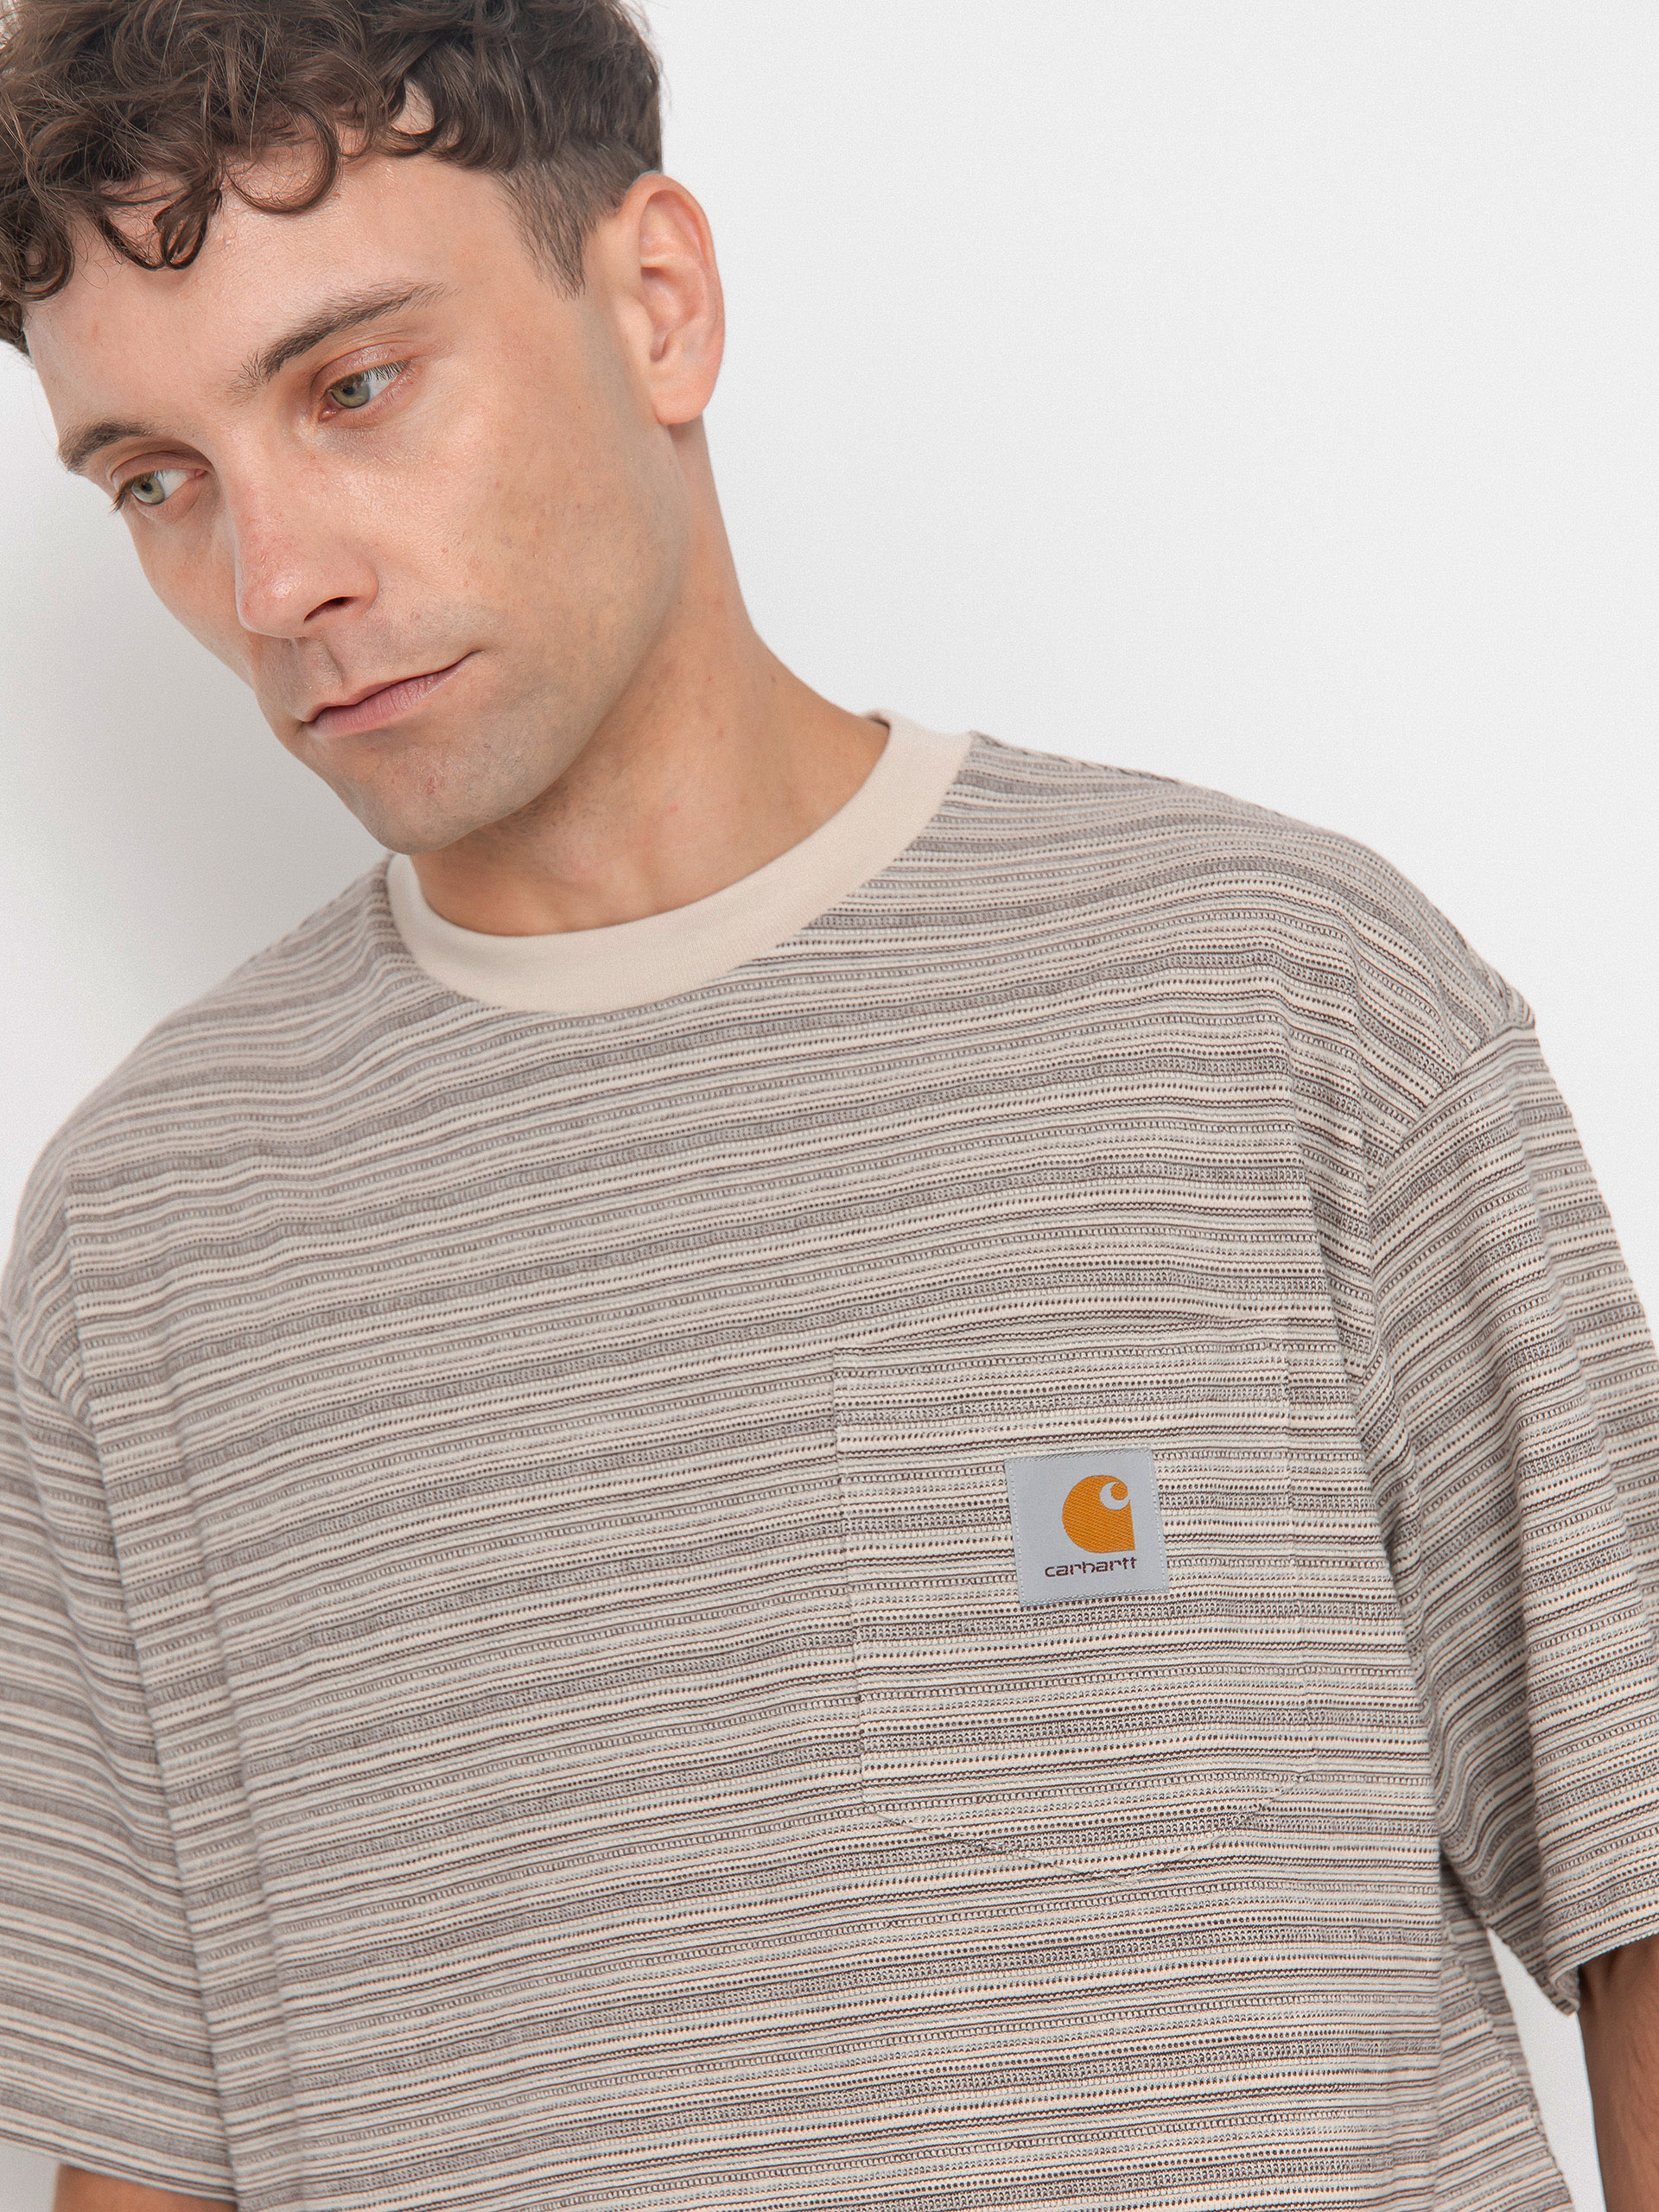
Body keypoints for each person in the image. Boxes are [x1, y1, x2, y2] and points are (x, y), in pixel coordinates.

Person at [1, 1, 1656, 2207]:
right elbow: (141, 2155)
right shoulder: (139, 1247)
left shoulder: (1282, 1004)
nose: (273, 578)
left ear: (657, 303)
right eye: (156, 479)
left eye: (355, 385)